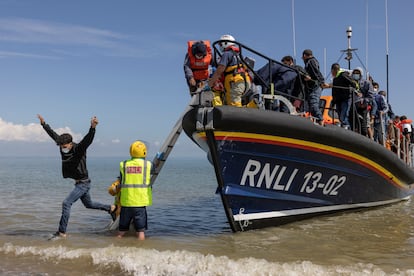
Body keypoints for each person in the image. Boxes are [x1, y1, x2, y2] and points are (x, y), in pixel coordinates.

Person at [37, 114, 116, 239]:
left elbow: (88, 139)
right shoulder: (62, 144)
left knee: (66, 203)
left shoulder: (79, 149)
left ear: (70, 144)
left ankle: (61, 232)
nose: (62, 149)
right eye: (60, 147)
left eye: (64, 147)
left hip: (83, 183)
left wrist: (93, 127)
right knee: (88, 204)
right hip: (80, 182)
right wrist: (44, 124)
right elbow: (53, 135)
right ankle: (110, 208)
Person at [116, 141, 153, 240]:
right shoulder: (148, 165)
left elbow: (122, 179)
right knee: (140, 232)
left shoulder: (123, 164)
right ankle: (140, 252)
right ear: (144, 152)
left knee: (121, 231)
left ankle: (114, 247)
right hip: (140, 204)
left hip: (126, 203)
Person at [208, 34, 251, 107]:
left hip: (235, 82)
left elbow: (219, 70)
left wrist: (210, 83)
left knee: (234, 106)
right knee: (235, 102)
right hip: (245, 81)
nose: (220, 47)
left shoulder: (226, 54)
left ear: (225, 43)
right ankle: (254, 104)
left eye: (221, 44)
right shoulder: (238, 55)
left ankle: (238, 118)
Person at [302, 49, 329, 125]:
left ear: (304, 56)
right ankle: (317, 120)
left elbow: (316, 72)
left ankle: (320, 120)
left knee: (313, 104)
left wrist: (321, 81)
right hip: (315, 86)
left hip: (315, 86)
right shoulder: (314, 61)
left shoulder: (310, 62)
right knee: (311, 104)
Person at [329, 63, 356, 129]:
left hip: (345, 98)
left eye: (332, 71)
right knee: (340, 114)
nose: (331, 73)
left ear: (334, 70)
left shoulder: (343, 75)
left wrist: (354, 88)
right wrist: (333, 102)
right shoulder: (335, 80)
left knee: (344, 115)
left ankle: (346, 126)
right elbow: (334, 92)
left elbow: (353, 83)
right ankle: (343, 125)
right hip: (338, 100)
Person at [350, 67, 375, 137]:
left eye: (357, 73)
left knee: (363, 125)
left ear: (361, 74)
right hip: (352, 106)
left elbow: (371, 96)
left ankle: (364, 138)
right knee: (353, 125)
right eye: (354, 73)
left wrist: (364, 102)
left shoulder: (366, 83)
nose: (355, 74)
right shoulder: (350, 82)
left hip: (362, 106)